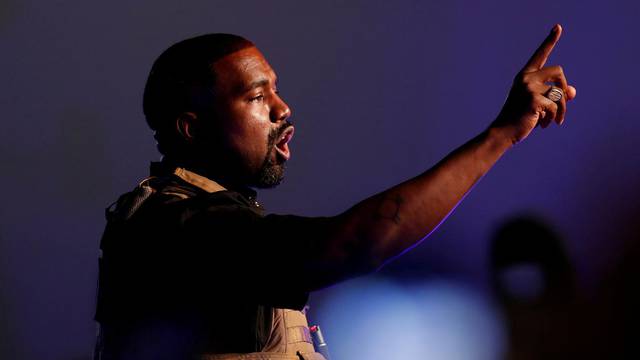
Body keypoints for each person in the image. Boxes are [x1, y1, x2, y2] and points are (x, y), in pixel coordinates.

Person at [94, 25, 577, 360]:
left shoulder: (220, 219)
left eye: (276, 91)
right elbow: (357, 243)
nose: (283, 108)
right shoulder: (173, 227)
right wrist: (500, 135)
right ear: (191, 129)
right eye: (256, 97)